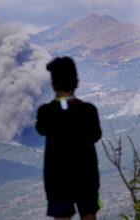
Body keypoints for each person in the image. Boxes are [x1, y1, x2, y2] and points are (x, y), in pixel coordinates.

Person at [35, 57, 102, 220]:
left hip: (57, 180)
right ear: (77, 83)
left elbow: (41, 129)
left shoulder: (46, 112)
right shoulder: (88, 111)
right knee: (89, 215)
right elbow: (96, 135)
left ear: (53, 86)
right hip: (86, 177)